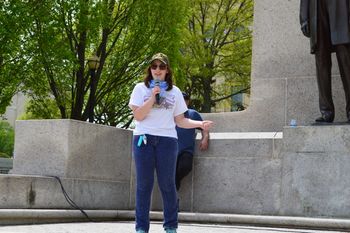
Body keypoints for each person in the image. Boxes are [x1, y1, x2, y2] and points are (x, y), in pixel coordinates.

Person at [128, 52, 213, 233]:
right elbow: (138, 115)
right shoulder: (139, 89)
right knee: (144, 184)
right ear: (150, 69)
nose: (157, 70)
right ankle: (141, 228)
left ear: (167, 70)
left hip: (167, 141)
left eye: (162, 67)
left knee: (167, 184)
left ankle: (171, 226)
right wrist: (152, 97)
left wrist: (200, 124)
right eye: (154, 66)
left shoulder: (175, 92)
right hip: (144, 139)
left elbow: (181, 121)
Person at [300, 0, 350, 123]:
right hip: (316, 8)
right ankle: (326, 112)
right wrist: (304, 17)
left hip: (341, 7)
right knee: (321, 61)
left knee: (346, 61)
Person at [175, 92, 210, 191]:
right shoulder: (170, 114)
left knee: (185, 167)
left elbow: (204, 127)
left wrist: (205, 138)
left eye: (184, 101)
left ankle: (175, 183)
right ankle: (173, 201)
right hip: (171, 150)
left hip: (186, 150)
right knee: (169, 174)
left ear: (188, 102)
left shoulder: (193, 114)